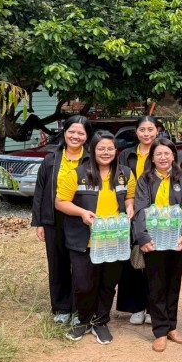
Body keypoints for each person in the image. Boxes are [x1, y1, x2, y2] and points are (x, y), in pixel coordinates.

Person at [56, 131, 136, 345]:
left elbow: (130, 196)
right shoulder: (77, 173)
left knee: (108, 283)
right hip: (85, 240)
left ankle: (100, 321)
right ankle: (83, 320)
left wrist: (130, 207)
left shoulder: (126, 173)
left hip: (114, 238)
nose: (106, 152)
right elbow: (60, 202)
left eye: (110, 148)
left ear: (116, 151)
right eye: (101, 148)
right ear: (92, 150)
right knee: (84, 284)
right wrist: (82, 213)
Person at [133, 138, 182, 352]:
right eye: (158, 154)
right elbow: (140, 209)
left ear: (173, 156)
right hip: (153, 238)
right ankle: (160, 330)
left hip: (176, 238)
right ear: (152, 158)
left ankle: (172, 326)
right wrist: (143, 237)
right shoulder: (145, 179)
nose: (163, 157)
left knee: (173, 282)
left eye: (167, 153)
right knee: (156, 284)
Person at [31, 115, 92, 325]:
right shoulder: (51, 159)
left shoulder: (91, 160)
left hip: (82, 218)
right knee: (57, 263)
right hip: (54, 219)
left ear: (87, 136)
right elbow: (40, 191)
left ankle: (78, 309)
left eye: (80, 133)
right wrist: (39, 222)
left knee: (81, 265)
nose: (75, 136)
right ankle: (61, 308)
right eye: (71, 131)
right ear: (64, 133)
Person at [117, 115, 157, 325]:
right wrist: (126, 206)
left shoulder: (162, 151)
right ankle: (137, 307)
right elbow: (120, 181)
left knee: (154, 261)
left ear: (157, 131)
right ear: (136, 132)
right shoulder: (127, 154)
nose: (146, 134)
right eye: (142, 130)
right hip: (131, 211)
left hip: (156, 214)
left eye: (150, 129)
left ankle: (152, 307)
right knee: (132, 260)